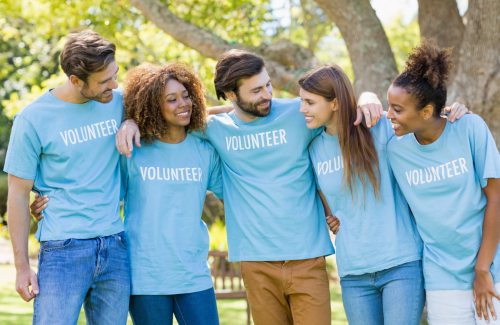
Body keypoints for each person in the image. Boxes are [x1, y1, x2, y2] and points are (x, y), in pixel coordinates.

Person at [116, 49, 386, 325]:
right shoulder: (212, 129)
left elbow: (335, 109)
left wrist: (366, 97)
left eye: (267, 85)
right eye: (256, 90)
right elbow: (168, 114)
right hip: (255, 261)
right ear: (231, 94)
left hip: (308, 255)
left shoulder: (299, 113)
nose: (267, 94)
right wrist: (130, 121)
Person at [299, 64, 469, 324]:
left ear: (335, 103)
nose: (302, 109)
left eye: (309, 102)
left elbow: (425, 127)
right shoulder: (314, 149)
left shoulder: (379, 129)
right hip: (353, 272)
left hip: (401, 264)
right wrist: (331, 218)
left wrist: (453, 111)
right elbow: (330, 205)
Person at [5, 30, 130, 325]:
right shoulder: (32, 119)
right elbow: (18, 194)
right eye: (103, 81)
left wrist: (132, 119)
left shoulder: (120, 101)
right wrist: (22, 268)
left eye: (115, 74)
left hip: (115, 246)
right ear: (75, 80)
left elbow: (184, 113)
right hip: (63, 250)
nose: (113, 85)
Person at [386, 40, 500, 325]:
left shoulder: (468, 128)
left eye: (397, 109)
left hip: (491, 268)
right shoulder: (395, 150)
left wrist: (483, 269)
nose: (390, 115)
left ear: (425, 112)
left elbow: (496, 197)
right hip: (441, 276)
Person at [120, 62, 223, 325]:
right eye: (172, 99)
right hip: (145, 275)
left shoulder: (204, 151)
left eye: (186, 96)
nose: (183, 104)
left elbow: (233, 196)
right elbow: (102, 196)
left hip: (193, 273)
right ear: (154, 106)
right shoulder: (133, 150)